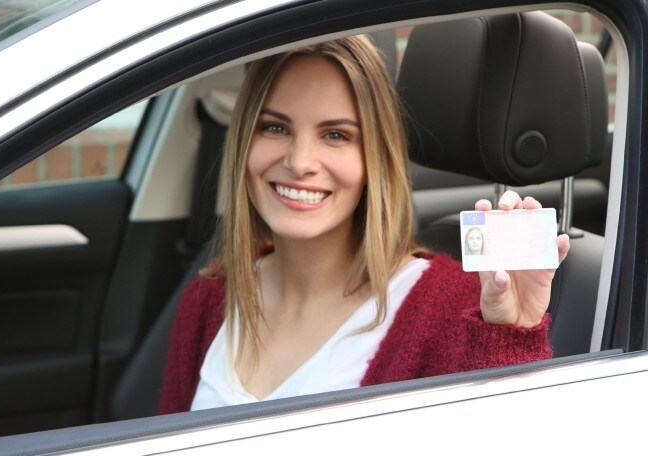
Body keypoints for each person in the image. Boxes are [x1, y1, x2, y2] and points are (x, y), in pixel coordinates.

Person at [158, 36, 570, 414]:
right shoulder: (208, 298)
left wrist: (509, 337)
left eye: (335, 135)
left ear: (376, 157)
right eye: (275, 127)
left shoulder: (457, 307)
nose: (300, 162)